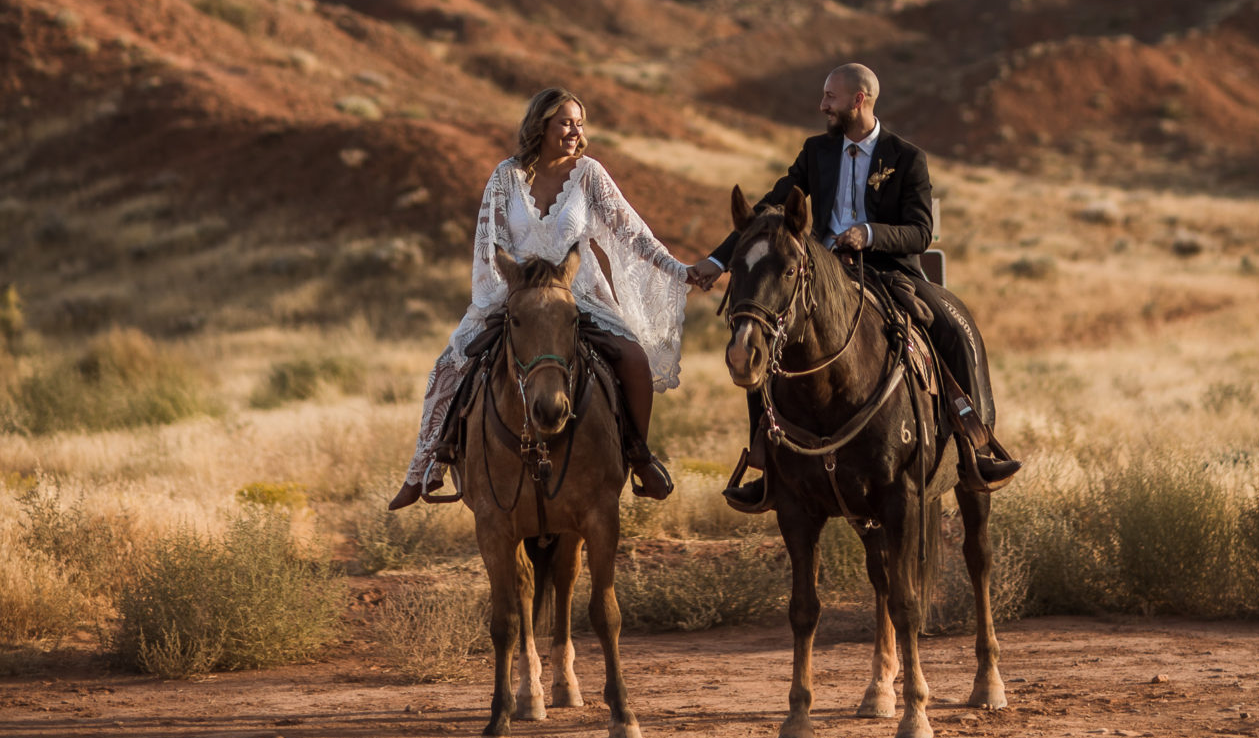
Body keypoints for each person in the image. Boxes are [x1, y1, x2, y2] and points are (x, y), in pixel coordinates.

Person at [690, 61, 1020, 509]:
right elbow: (768, 209)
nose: (823, 104)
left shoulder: (907, 158)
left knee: (953, 326)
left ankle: (973, 446)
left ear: (858, 100)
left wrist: (869, 233)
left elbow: (921, 231)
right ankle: (767, 462)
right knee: (764, 342)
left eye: (831, 96)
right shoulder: (815, 152)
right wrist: (718, 258)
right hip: (820, 277)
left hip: (887, 272)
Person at [389, 86, 688, 509]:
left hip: (577, 294)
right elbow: (488, 242)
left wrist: (681, 270)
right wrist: (504, 292)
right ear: (542, 124)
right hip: (516, 294)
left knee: (635, 359)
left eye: (579, 123)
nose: (574, 130)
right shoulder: (505, 177)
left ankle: (639, 456)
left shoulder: (590, 175)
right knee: (448, 365)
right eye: (566, 121)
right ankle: (426, 466)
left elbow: (632, 233)